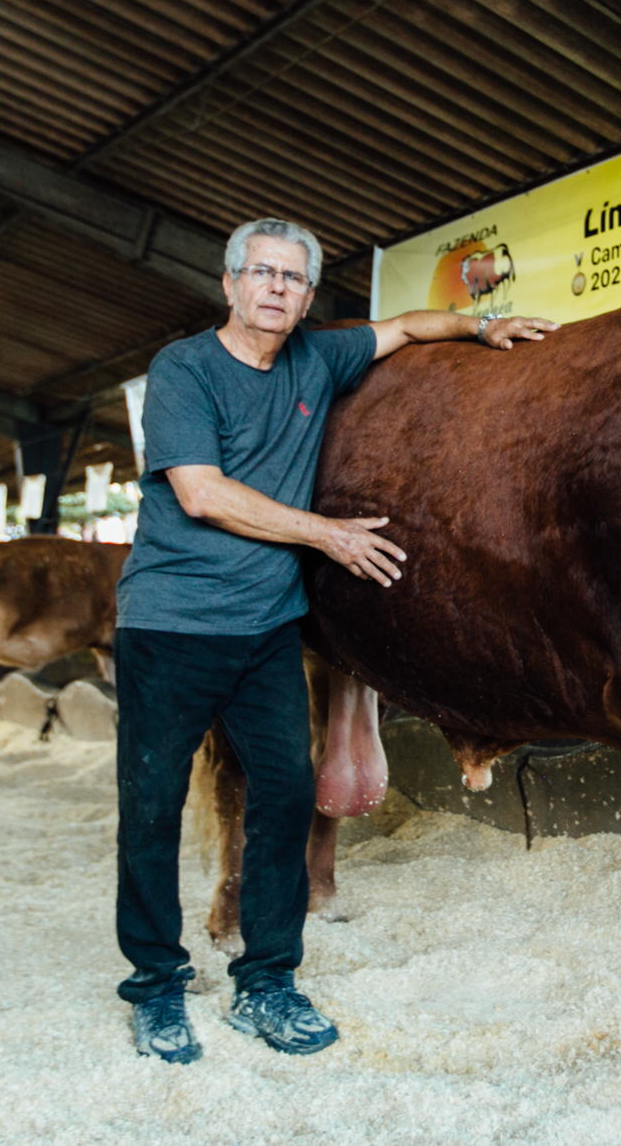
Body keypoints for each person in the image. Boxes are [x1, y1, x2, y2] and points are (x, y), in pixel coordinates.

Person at [113, 218, 558, 1064]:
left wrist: (482, 325)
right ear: (230, 282)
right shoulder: (184, 369)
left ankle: (268, 980)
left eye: (293, 277)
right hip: (170, 625)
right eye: (262, 273)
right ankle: (157, 988)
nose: (276, 288)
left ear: (309, 295)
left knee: (285, 795)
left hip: (266, 629)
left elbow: (408, 326)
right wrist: (326, 534)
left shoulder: (319, 356)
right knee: (151, 807)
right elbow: (202, 494)